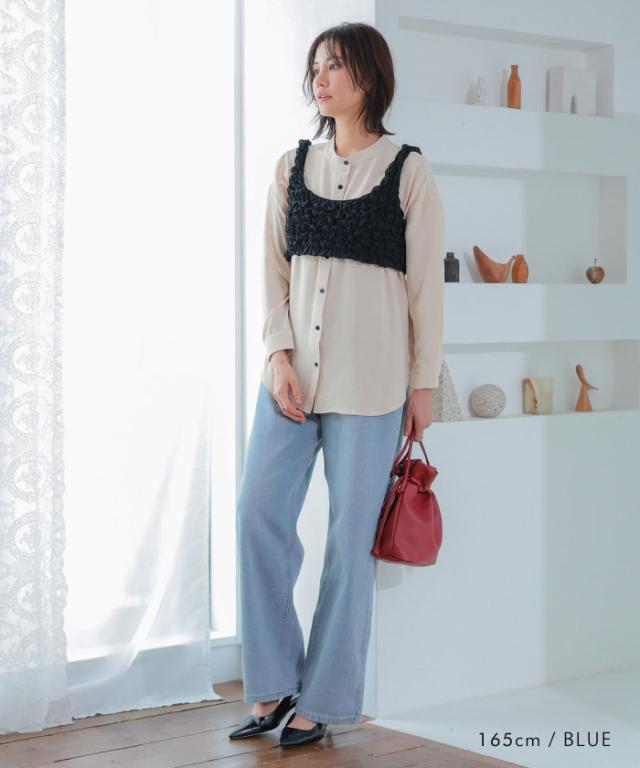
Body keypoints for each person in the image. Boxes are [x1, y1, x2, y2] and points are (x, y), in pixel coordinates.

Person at [229, 21, 444, 748]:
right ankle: (271, 683)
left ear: (369, 79)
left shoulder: (407, 170)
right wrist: (276, 355)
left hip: (373, 383)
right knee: (257, 515)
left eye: (337, 66)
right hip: (291, 382)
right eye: (316, 66)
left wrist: (423, 387)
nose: (321, 79)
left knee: (350, 544)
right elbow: (272, 272)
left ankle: (322, 701)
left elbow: (427, 291)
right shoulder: (292, 167)